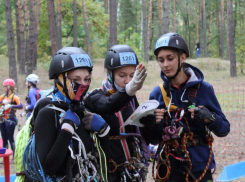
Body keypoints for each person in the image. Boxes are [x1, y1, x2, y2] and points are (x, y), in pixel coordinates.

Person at [149, 32, 230, 182]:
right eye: (161, 60)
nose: (165, 64)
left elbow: (224, 129)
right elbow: (152, 139)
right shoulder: (158, 93)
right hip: (168, 169)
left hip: (198, 167)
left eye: (170, 58)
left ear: (183, 57)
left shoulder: (204, 90)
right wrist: (153, 123)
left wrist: (209, 118)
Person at [24, 47, 110, 182]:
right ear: (59, 79)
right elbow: (49, 167)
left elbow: (102, 161)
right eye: (76, 79)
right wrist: (66, 130)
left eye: (87, 79)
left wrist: (104, 132)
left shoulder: (84, 111)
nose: (83, 85)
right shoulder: (47, 113)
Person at [84, 44, 155, 182]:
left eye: (132, 76)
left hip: (130, 168)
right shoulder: (95, 96)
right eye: (122, 75)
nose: (128, 81)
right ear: (110, 74)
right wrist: (130, 89)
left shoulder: (131, 99)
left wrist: (148, 124)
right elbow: (108, 105)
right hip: (107, 171)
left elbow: (138, 135)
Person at [0, 78, 23, 162]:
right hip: (2, 119)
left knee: (10, 139)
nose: (3, 88)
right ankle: (5, 157)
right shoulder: (3, 96)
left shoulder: (15, 97)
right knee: (4, 138)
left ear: (9, 87)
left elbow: (21, 106)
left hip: (10, 119)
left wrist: (10, 105)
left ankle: (14, 157)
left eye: (4, 87)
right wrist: (2, 102)